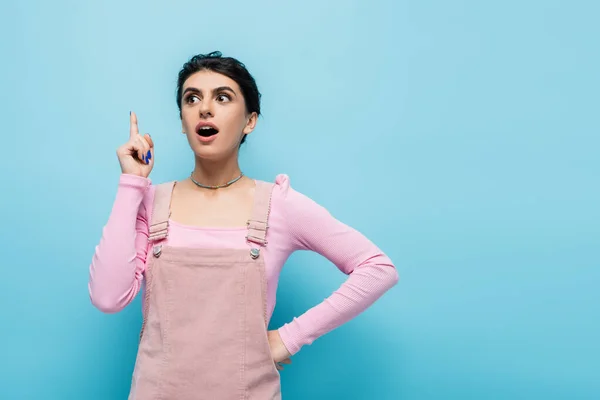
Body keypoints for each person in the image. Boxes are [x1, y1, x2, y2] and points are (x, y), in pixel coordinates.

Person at [88, 51, 399, 399]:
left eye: (222, 98)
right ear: (182, 120)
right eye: (192, 99)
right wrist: (132, 184)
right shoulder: (151, 201)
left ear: (250, 121)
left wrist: (289, 338)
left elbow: (377, 268)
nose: (205, 108)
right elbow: (107, 297)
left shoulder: (278, 205)